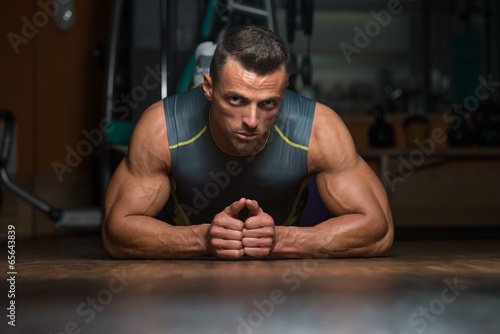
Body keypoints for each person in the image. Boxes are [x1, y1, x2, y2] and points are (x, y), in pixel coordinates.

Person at [102, 24, 393, 260]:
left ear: (283, 92)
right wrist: (202, 239)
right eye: (235, 99)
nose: (252, 120)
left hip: (291, 223)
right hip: (187, 234)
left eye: (268, 103)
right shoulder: (162, 127)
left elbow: (378, 230)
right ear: (208, 88)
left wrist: (282, 239)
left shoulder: (320, 127)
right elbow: (116, 232)